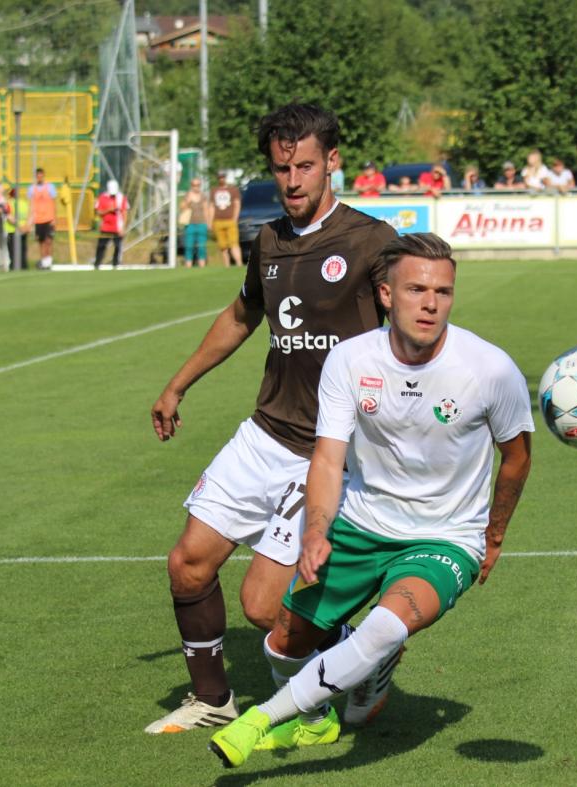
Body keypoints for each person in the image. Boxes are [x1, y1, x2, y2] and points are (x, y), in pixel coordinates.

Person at [207, 231, 534, 768]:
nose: (431, 304)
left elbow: (517, 457)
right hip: (360, 524)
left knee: (386, 624)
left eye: (443, 292)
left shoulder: (490, 369)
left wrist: (492, 535)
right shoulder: (350, 360)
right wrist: (316, 530)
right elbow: (328, 458)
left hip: (444, 537)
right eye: (416, 290)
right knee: (282, 639)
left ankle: (262, 719)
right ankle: (315, 723)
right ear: (385, 294)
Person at [145, 102, 399, 736]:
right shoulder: (267, 239)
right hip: (264, 433)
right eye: (282, 168)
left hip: (326, 449)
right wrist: (177, 385)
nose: (292, 181)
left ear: (333, 163)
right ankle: (213, 700)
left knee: (263, 606)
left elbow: (412, 337)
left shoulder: (372, 242)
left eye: (305, 166)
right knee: (187, 564)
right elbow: (240, 317)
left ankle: (370, 650)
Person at [210, 171, 243, 268]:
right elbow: (211, 206)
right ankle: (226, 266)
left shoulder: (233, 189)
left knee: (234, 243)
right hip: (217, 221)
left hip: (230, 220)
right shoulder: (214, 190)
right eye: (220, 177)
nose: (221, 179)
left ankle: (239, 264)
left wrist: (235, 218)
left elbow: (237, 204)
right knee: (222, 246)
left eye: (223, 177)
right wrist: (210, 221)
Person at [94, 179, 129, 269]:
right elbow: (98, 212)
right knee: (101, 246)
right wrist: (108, 210)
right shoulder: (102, 197)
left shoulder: (122, 198)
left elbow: (125, 213)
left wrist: (123, 227)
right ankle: (97, 264)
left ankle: (115, 264)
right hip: (105, 227)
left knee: (118, 246)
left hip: (117, 228)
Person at [28, 168, 58, 269]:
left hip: (48, 218)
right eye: (38, 176)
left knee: (48, 241)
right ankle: (43, 261)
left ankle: (48, 261)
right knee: (41, 242)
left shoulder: (50, 187)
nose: (39, 177)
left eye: (41, 175)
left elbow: (54, 203)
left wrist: (54, 218)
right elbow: (31, 204)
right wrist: (30, 219)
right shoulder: (32, 188)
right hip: (38, 219)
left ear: (43, 176)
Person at [181, 178, 211, 268]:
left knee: (201, 247)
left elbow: (206, 210)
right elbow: (182, 208)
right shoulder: (187, 195)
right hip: (190, 224)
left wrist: (208, 223)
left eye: (198, 185)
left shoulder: (203, 196)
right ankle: (188, 265)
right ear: (191, 185)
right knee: (189, 246)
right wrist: (188, 201)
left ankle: (202, 265)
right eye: (194, 185)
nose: (196, 187)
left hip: (201, 224)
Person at [3, 185, 31, 270]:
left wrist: (19, 226)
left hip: (13, 231)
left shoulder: (8, 204)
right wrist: (26, 226)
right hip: (24, 231)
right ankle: (23, 268)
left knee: (13, 253)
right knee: (23, 252)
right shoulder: (24, 203)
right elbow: (30, 216)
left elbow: (9, 217)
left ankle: (14, 268)